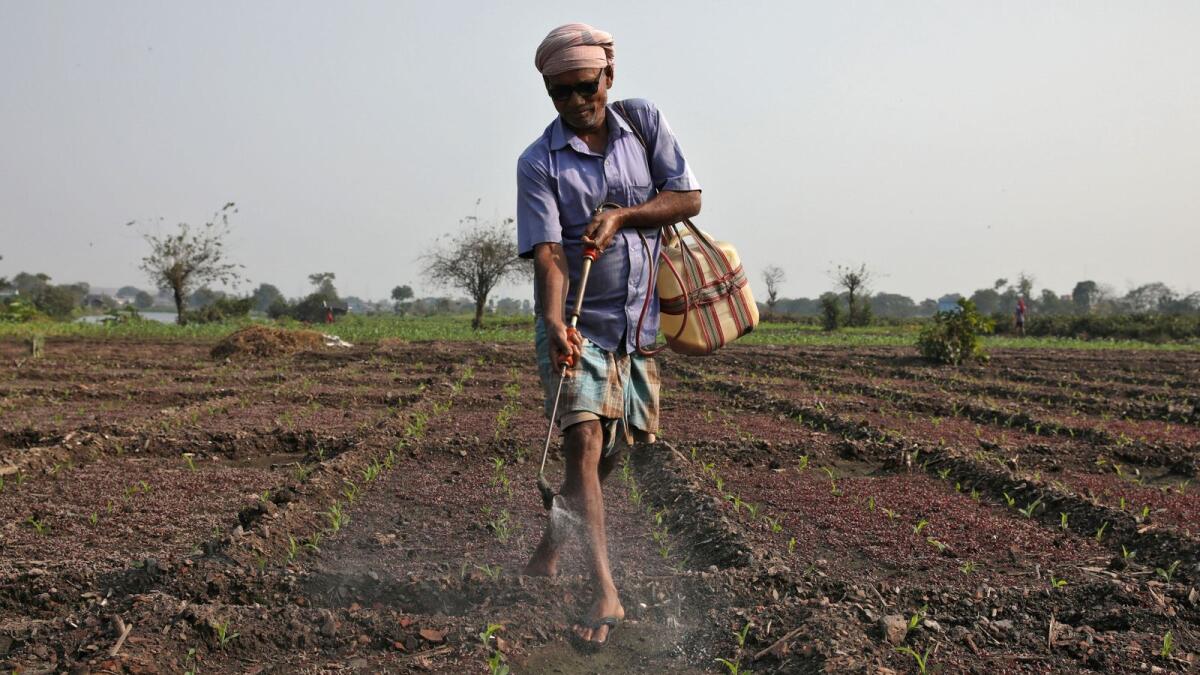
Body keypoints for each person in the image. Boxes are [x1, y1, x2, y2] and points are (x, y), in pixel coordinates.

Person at [515, 23, 701, 648]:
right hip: (579, 327)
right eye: (559, 93)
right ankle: (605, 590)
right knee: (585, 443)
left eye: (583, 87)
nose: (574, 102)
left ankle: (550, 542)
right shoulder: (538, 162)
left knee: (614, 453)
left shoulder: (643, 123)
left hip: (638, 324)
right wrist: (551, 324)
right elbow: (549, 256)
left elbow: (688, 197)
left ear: (607, 79)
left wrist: (623, 215)